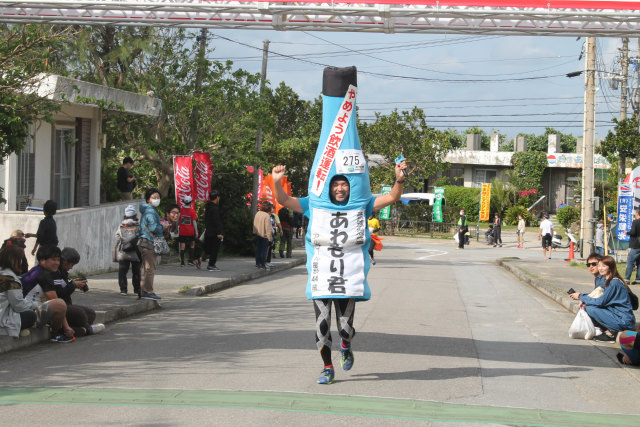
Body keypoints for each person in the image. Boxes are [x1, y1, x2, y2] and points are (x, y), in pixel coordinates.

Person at [271, 157, 406, 385]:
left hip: (347, 279)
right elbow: (284, 199)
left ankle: (346, 345)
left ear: (349, 187)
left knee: (345, 328)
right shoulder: (314, 204)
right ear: (329, 187)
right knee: (322, 327)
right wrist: (276, 181)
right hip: (322, 277)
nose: (340, 188)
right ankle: (327, 368)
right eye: (335, 184)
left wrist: (399, 180)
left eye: (344, 184)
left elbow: (392, 197)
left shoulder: (362, 204)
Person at [0, 245, 65, 339]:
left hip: (6, 313)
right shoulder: (11, 279)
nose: (22, 262)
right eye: (20, 259)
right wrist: (36, 306)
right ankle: (56, 333)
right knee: (31, 316)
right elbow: (19, 305)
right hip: (4, 319)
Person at [569, 256, 636, 342]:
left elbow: (601, 302)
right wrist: (583, 297)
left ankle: (609, 334)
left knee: (589, 308)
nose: (600, 268)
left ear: (611, 267)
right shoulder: (610, 281)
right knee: (588, 306)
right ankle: (604, 330)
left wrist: (580, 296)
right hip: (619, 317)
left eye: (604, 266)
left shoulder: (614, 283)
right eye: (599, 266)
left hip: (623, 321)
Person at [20, 245, 75, 342]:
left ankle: (79, 329)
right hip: (30, 312)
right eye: (53, 260)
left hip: (34, 309)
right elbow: (55, 300)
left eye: (58, 260)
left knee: (87, 313)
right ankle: (56, 333)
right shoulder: (43, 275)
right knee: (60, 304)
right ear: (42, 260)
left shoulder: (39, 270)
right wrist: (67, 327)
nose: (57, 263)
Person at [58, 247, 105, 336]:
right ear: (64, 260)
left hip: (66, 304)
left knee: (90, 313)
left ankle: (80, 329)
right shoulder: (54, 273)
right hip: (59, 306)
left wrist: (74, 284)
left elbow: (65, 290)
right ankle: (88, 329)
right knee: (80, 314)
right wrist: (73, 285)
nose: (71, 268)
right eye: (71, 264)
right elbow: (58, 293)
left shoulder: (63, 273)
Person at [137, 188, 168, 300]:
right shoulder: (150, 211)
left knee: (146, 268)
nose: (156, 199)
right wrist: (162, 226)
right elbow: (153, 227)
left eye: (158, 197)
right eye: (154, 197)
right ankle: (148, 291)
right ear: (148, 199)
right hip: (148, 242)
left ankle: (144, 290)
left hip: (145, 242)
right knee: (150, 268)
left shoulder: (148, 210)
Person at [115, 204, 141, 296]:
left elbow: (118, 238)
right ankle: (137, 290)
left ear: (125, 215)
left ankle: (123, 290)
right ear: (135, 215)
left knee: (122, 272)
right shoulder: (138, 225)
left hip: (123, 252)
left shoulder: (121, 226)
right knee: (136, 272)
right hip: (136, 252)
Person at [203, 190, 224, 271]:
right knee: (214, 249)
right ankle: (211, 265)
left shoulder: (207, 207)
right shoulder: (215, 208)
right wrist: (219, 232)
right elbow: (217, 221)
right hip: (215, 232)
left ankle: (200, 258)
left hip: (208, 230)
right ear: (217, 198)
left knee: (208, 248)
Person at [177, 195, 199, 268]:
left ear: (184, 202)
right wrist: (196, 232)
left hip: (182, 231)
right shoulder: (192, 211)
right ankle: (190, 260)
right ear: (190, 203)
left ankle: (182, 262)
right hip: (190, 232)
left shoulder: (181, 210)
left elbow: (177, 221)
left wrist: (175, 229)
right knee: (192, 244)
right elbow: (194, 222)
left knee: (182, 246)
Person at [253, 202, 273, 270]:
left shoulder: (258, 213)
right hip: (265, 236)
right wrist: (270, 238)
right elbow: (268, 228)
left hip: (258, 234)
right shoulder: (266, 216)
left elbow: (254, 223)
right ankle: (263, 264)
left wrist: (254, 232)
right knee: (264, 251)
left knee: (258, 249)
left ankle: (257, 263)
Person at [625, 209, 640, 284]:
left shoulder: (635, 221)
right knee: (639, 262)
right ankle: (638, 279)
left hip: (636, 244)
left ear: (637, 214)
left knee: (630, 261)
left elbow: (633, 232)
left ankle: (627, 278)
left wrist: (627, 232)